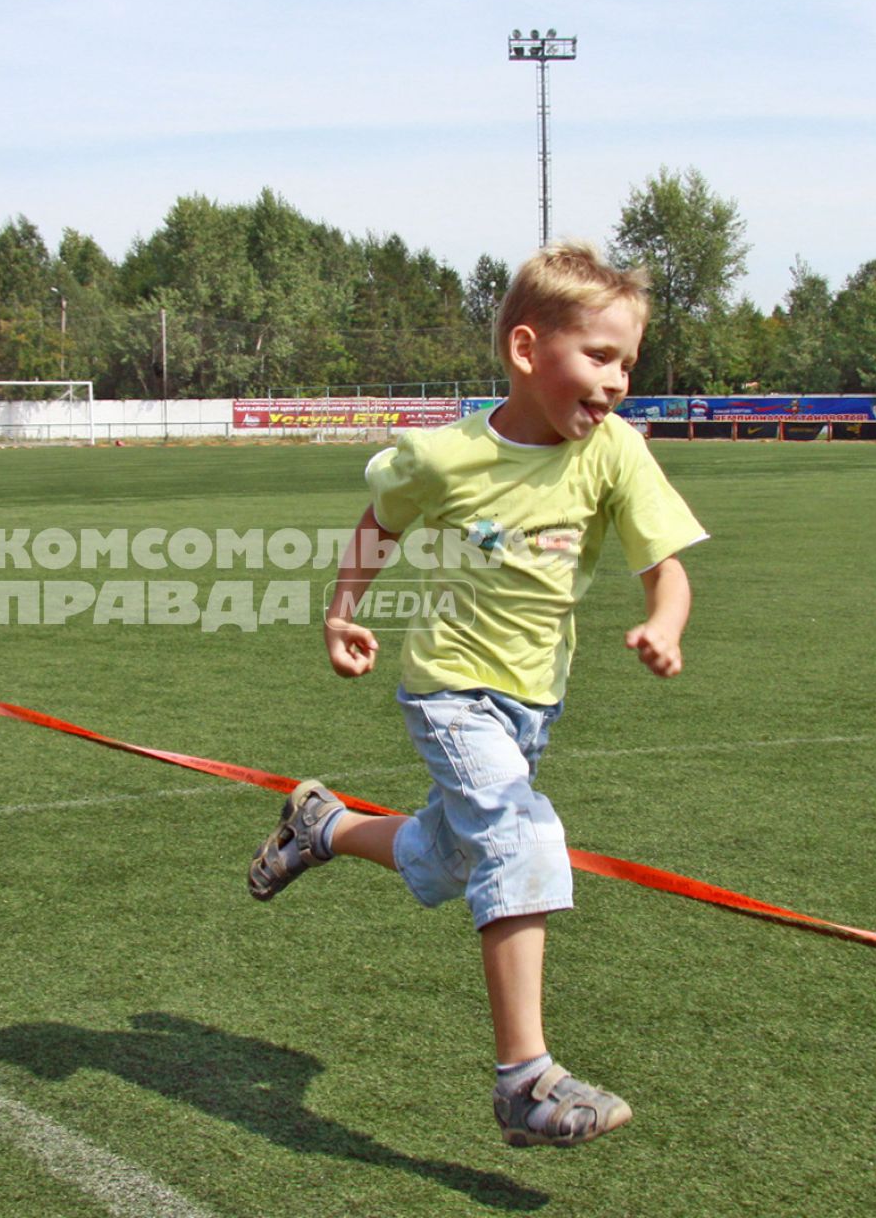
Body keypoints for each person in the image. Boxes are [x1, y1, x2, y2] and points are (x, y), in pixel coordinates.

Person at [247, 240, 707, 1147]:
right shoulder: (443, 455)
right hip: (450, 691)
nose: (615, 382)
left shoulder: (614, 453)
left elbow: (668, 567)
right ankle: (523, 1081)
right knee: (520, 833)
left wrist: (666, 622)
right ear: (527, 351)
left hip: (536, 704)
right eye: (599, 357)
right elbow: (378, 524)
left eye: (627, 363)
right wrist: (342, 614)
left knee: (445, 855)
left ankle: (322, 826)